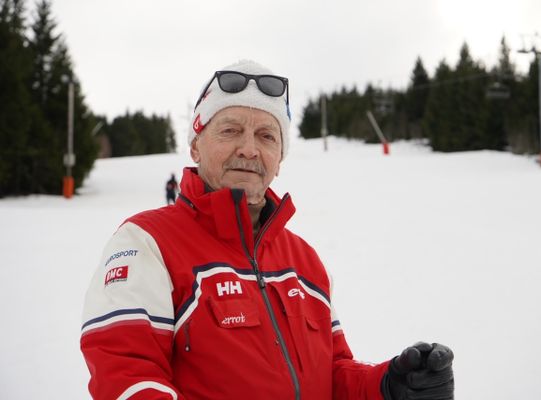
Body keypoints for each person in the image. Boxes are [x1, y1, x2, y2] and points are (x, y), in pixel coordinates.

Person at [80, 60, 454, 400]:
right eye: (230, 130)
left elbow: (333, 374)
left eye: (266, 136)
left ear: (280, 158)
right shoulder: (147, 242)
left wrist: (387, 387)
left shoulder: (304, 260)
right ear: (195, 146)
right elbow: (126, 377)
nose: (249, 149)